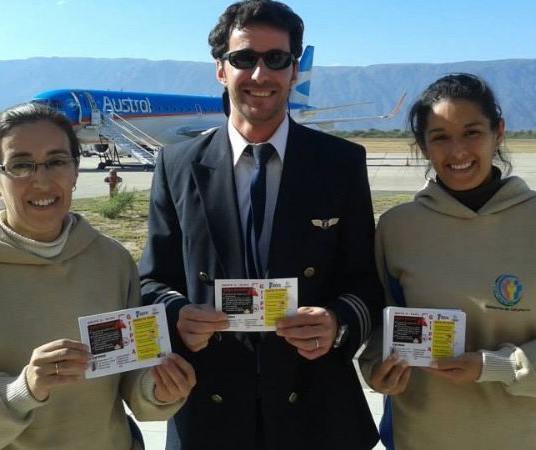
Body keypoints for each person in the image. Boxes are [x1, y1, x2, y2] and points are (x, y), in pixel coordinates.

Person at [138, 1, 382, 449]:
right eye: (244, 58)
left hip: (314, 409)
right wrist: (177, 316)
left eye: (276, 59)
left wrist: (336, 322)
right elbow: (153, 280)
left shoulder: (341, 163)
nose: (259, 75)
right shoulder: (177, 165)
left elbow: (367, 281)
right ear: (220, 70)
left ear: (293, 71)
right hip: (211, 410)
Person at [0, 103, 196, 449]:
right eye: (21, 165)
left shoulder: (111, 261)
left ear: (75, 171)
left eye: (56, 162)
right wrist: (20, 392)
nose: (41, 181)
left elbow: (128, 375)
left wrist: (157, 388)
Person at [358, 73, 536, 450]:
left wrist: (496, 366)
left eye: (472, 133)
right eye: (440, 138)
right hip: (419, 435)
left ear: (498, 132)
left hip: (525, 437)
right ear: (423, 146)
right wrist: (376, 370)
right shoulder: (398, 228)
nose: (458, 151)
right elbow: (382, 327)